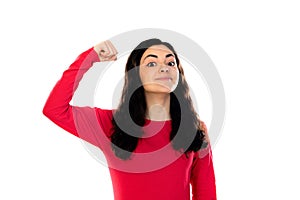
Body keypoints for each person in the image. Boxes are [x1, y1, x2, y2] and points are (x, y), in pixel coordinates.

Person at [43, 38, 217, 200]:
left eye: (171, 62)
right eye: (151, 63)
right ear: (136, 74)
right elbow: (54, 109)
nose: (164, 68)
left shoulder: (194, 128)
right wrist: (89, 57)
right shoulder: (111, 123)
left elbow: (206, 192)